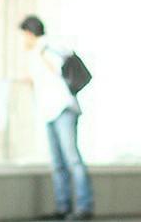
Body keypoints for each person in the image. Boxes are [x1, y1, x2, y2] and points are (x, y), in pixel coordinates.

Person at [19, 15, 94, 221]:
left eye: (24, 35)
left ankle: (83, 207)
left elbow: (58, 70)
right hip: (49, 111)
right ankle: (63, 207)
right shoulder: (36, 52)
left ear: (29, 33)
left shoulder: (48, 46)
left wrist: (41, 55)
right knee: (58, 162)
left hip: (62, 109)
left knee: (72, 159)